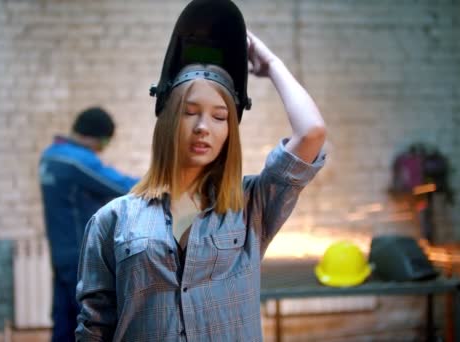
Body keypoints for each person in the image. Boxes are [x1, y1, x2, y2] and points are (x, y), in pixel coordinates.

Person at [75, 30, 326, 341]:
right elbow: (94, 326)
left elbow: (312, 132)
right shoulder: (112, 220)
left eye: (220, 117)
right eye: (189, 112)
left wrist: (271, 63)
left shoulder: (250, 206)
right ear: (167, 120)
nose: (203, 127)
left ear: (230, 131)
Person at [39, 107, 139, 342]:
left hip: (60, 255)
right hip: (81, 258)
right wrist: (163, 179)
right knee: (91, 327)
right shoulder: (76, 161)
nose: (101, 151)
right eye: (104, 143)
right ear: (96, 137)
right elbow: (122, 187)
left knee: (63, 323)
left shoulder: (50, 155)